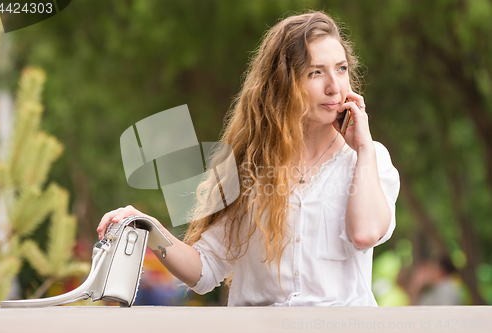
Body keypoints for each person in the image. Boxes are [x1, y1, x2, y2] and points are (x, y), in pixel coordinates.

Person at [97, 11, 400, 306]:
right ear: (284, 83)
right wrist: (148, 227)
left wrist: (364, 148)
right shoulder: (247, 166)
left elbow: (365, 234)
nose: (334, 86)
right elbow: (204, 270)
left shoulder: (369, 160)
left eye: (341, 69)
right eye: (315, 72)